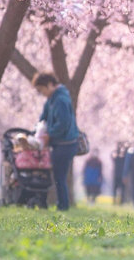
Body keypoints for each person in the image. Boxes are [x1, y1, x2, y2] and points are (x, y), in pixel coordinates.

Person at [33, 71, 80, 211]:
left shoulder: (60, 100)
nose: (42, 93)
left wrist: (49, 135)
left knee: (59, 176)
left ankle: (63, 206)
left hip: (65, 144)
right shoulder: (52, 100)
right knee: (57, 175)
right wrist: (38, 129)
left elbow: (63, 123)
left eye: (42, 90)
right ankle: (57, 204)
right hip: (59, 143)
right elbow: (44, 117)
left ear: (49, 85)